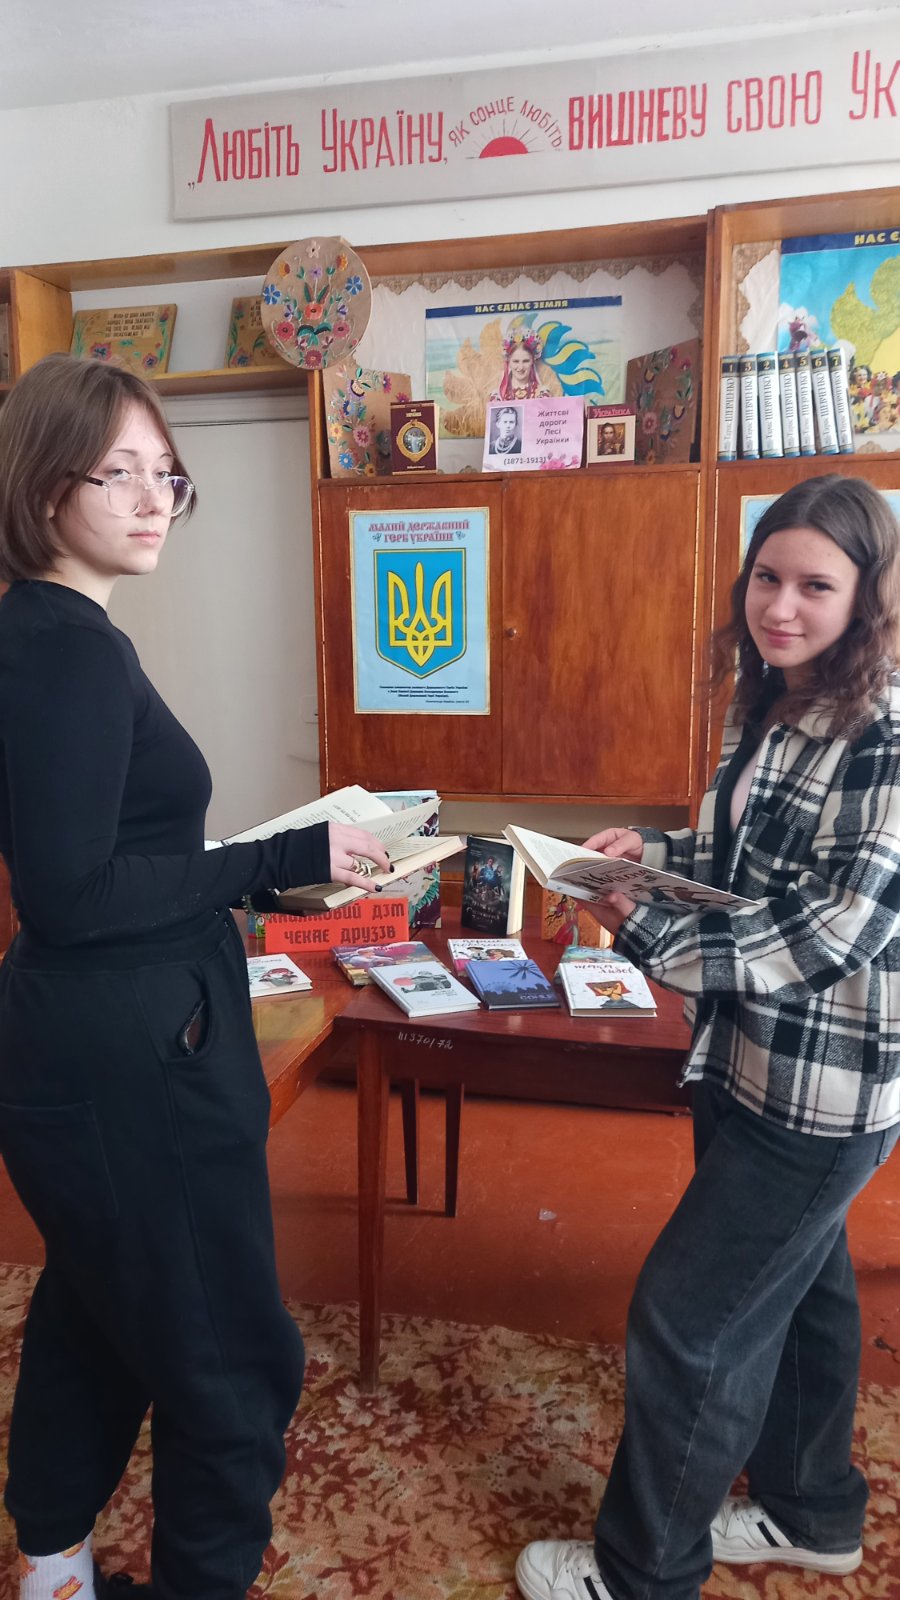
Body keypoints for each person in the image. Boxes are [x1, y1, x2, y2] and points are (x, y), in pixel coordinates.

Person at [0, 353, 390, 1600]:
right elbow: (71, 895)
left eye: (165, 471)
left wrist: (266, 870)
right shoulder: (65, 649)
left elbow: (103, 861)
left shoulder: (48, 632)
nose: (151, 497)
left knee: (99, 1308)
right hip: (129, 1055)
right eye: (116, 471)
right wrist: (276, 859)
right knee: (229, 1364)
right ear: (42, 484)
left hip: (99, 1036)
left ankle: (55, 1569)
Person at [516, 473, 900, 1600]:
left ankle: (642, 1575)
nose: (779, 606)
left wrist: (645, 930)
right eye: (766, 578)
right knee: (807, 1290)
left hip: (819, 1095)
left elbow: (833, 926)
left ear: (870, 596)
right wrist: (656, 855)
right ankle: (809, 1511)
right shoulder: (775, 697)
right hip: (743, 1059)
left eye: (815, 586)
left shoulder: (884, 734)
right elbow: (754, 861)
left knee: (690, 1323)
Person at [490, 326, 551, 403]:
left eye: (526, 361)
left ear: (533, 361)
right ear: (508, 361)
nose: (521, 367)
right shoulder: (497, 397)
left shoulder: (542, 394)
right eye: (516, 361)